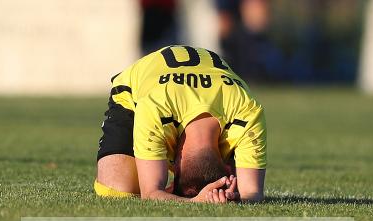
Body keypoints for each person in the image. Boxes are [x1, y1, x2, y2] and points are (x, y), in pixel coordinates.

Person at [95, 45, 267, 203]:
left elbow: (251, 194)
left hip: (186, 92)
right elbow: (150, 194)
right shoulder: (155, 106)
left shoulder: (248, 111)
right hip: (135, 91)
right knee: (118, 190)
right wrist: (195, 201)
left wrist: (230, 196)